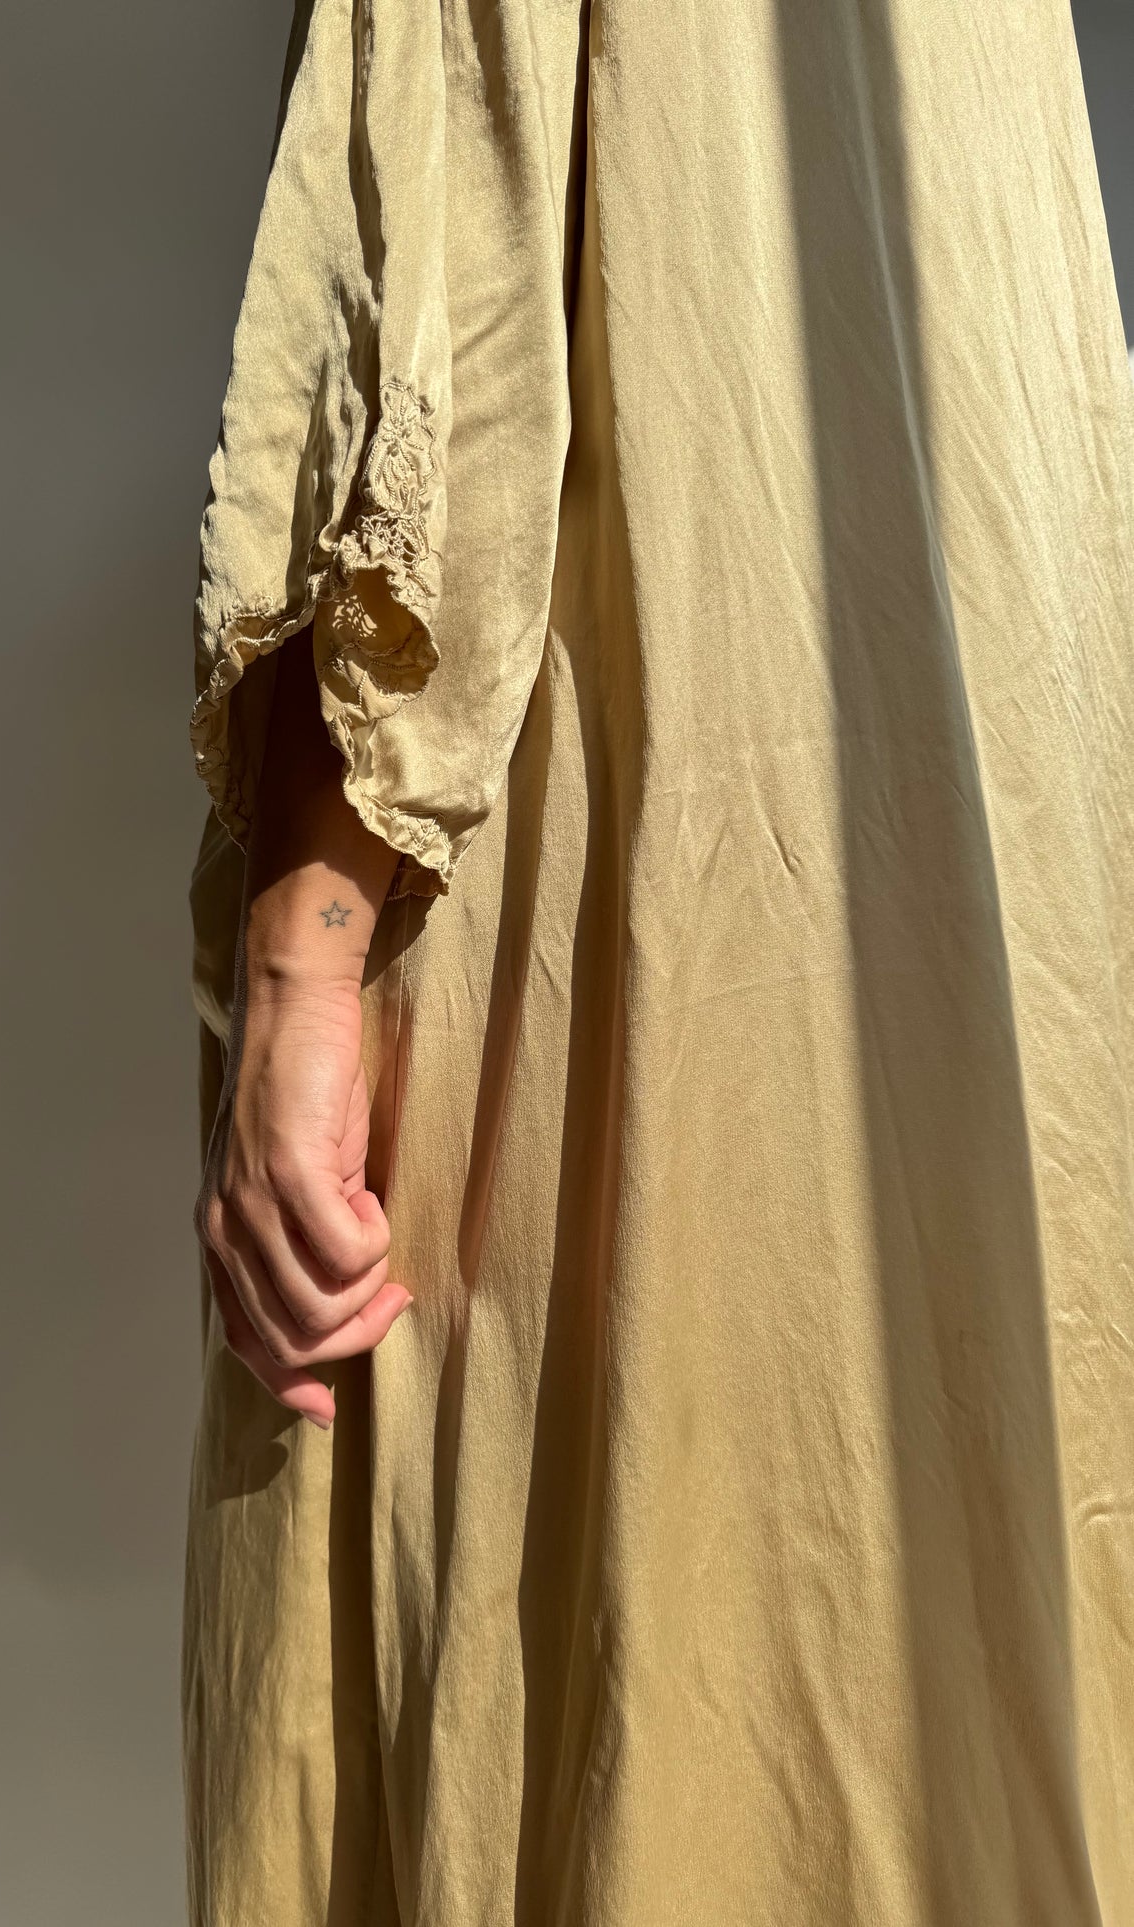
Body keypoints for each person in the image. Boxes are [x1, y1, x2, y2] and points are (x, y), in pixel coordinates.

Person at [182, 0, 1134, 1919]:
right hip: (1007, 887)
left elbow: (435, 272)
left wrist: (306, 952)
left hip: (624, 853)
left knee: (566, 1639)